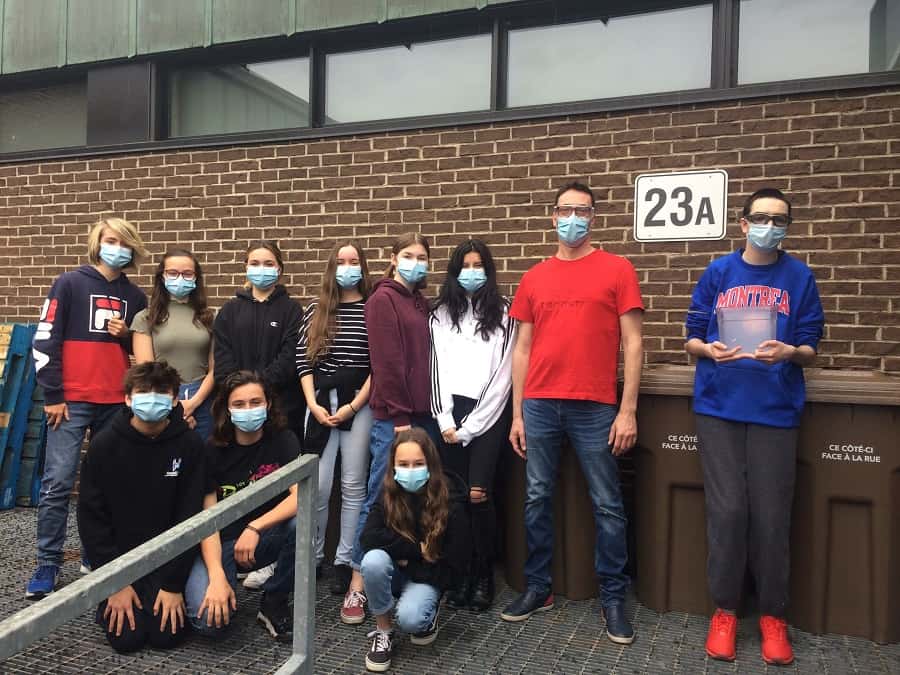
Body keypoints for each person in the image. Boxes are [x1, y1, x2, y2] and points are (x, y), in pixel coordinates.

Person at [684, 187, 824, 666]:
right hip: (719, 407)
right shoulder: (719, 272)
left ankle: (772, 616)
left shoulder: (799, 277)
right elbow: (692, 336)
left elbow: (810, 345)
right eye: (761, 217)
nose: (770, 226)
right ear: (743, 224)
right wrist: (708, 349)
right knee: (727, 514)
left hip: (775, 410)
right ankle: (725, 611)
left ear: (787, 227)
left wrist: (790, 352)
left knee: (771, 517)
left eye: (779, 219)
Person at [501, 181, 643, 647]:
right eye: (565, 210)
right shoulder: (534, 277)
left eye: (582, 211)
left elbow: (633, 343)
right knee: (536, 497)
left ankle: (613, 596)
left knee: (607, 503)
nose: (573, 219)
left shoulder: (618, 269)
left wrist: (628, 410)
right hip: (540, 403)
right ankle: (538, 588)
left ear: (594, 218)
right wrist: (518, 413)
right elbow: (522, 349)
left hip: (596, 405)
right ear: (553, 216)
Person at [28, 216, 148, 599]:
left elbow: (141, 349)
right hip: (71, 401)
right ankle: (48, 563)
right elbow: (45, 339)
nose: (118, 248)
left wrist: (127, 336)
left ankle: (96, 554)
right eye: (112, 240)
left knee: (106, 484)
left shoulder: (136, 297)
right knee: (58, 484)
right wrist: (53, 395)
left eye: (125, 243)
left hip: (115, 402)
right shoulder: (68, 283)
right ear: (97, 243)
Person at [341, 232, 439, 625]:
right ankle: (357, 583)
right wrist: (399, 418)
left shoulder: (419, 301)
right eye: (408, 255)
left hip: (423, 414)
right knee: (377, 496)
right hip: (394, 418)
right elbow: (386, 363)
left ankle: (410, 576)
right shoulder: (382, 300)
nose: (416, 262)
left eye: (422, 256)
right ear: (393, 258)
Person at [77, 361, 206, 654]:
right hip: (120, 560)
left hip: (168, 558)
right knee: (127, 640)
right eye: (143, 391)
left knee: (164, 637)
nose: (152, 398)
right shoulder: (103, 446)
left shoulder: (189, 445)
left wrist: (173, 585)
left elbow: (190, 516)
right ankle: (108, 602)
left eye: (162, 392)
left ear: (175, 400)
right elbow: (92, 519)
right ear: (127, 398)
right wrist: (114, 583)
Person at [183, 370, 301, 643]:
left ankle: (274, 601)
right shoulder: (212, 450)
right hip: (219, 542)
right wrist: (216, 575)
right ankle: (214, 583)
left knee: (303, 524)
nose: (248, 410)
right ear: (227, 409)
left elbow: (300, 496)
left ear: (268, 404)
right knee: (210, 623)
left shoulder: (283, 440)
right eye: (239, 404)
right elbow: (207, 520)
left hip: (262, 536)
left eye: (255, 402)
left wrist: (255, 527)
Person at [429, 239, 515, 611]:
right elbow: (437, 368)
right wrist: (446, 419)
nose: (472, 272)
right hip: (448, 415)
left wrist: (471, 426)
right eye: (465, 265)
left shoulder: (506, 312)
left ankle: (483, 575)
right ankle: (459, 574)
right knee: (453, 498)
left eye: (479, 265)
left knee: (479, 495)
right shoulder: (439, 314)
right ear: (454, 271)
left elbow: (504, 374)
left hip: (488, 416)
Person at [296, 240, 373, 595]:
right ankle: (312, 557)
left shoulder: (372, 308)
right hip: (320, 404)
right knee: (319, 485)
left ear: (363, 266)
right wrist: (312, 404)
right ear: (331, 266)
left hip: (358, 404)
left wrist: (353, 407)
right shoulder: (316, 309)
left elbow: (378, 366)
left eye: (354, 261)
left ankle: (344, 559)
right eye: (341, 261)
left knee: (353, 485)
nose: (347, 267)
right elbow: (303, 362)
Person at [359, 428, 469, 673]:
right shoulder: (389, 491)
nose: (410, 470)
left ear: (431, 464)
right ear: (393, 466)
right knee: (373, 561)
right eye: (403, 464)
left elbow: (455, 565)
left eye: (418, 464)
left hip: (430, 576)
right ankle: (383, 630)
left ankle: (428, 610)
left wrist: (408, 562)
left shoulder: (451, 499)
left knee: (412, 620)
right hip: (407, 567)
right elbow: (367, 537)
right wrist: (417, 551)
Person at [213, 239, 303, 439]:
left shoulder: (292, 310)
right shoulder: (229, 310)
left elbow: (290, 357)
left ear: (279, 269)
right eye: (255, 263)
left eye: (268, 264)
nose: (261, 268)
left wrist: (259, 388)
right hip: (238, 409)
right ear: (246, 267)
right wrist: (241, 392)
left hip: (283, 407)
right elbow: (222, 356)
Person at [132, 248, 215, 442]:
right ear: (162, 276)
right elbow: (147, 370)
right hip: (161, 397)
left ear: (196, 278)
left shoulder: (208, 317)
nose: (180, 278)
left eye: (187, 273)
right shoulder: (145, 318)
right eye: (173, 273)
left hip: (201, 398)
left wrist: (193, 403)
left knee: (201, 455)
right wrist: (174, 405)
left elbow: (215, 368)